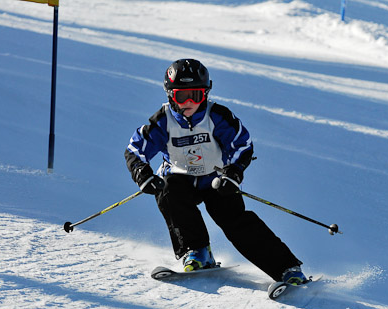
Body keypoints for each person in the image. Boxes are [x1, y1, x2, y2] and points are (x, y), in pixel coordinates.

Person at [124, 58, 306, 285]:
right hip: (179, 180)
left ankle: (287, 269)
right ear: (170, 94)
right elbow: (135, 149)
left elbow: (242, 145)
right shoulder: (163, 121)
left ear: (206, 93)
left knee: (234, 219)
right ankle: (197, 252)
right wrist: (143, 173)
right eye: (182, 95)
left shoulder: (217, 116)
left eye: (197, 95)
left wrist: (234, 173)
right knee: (168, 193)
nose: (189, 101)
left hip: (215, 181)